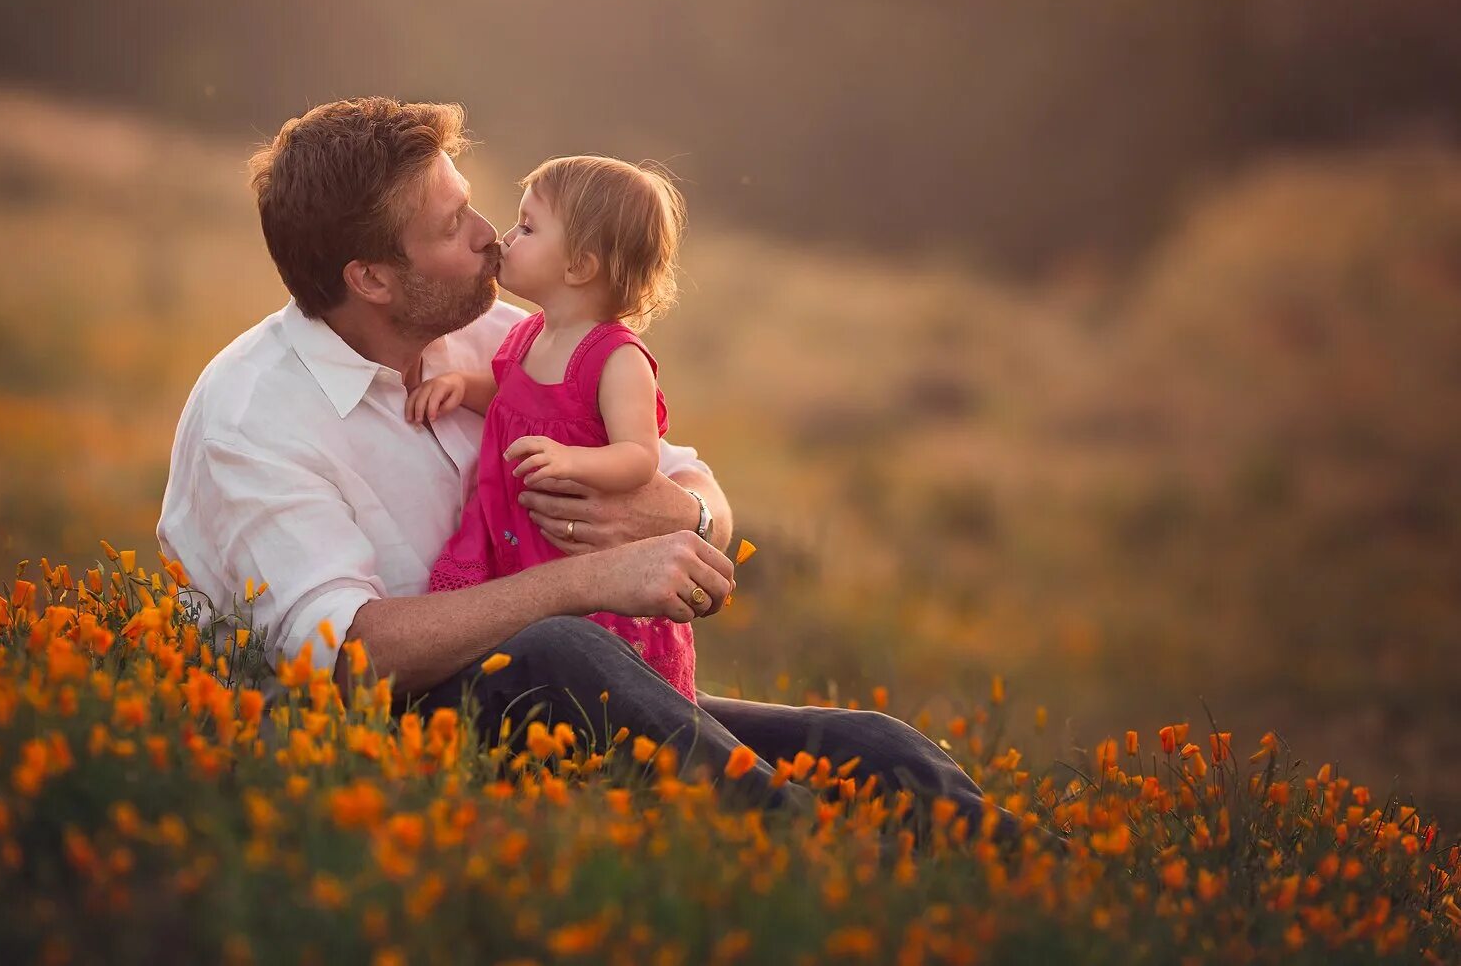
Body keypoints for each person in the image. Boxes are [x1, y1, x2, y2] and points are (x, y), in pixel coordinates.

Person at [158, 96, 1015, 832]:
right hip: (364, 748)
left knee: (870, 743)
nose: (492, 238)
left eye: (475, 205)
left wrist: (683, 519)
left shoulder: (502, 333)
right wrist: (588, 582)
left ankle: (1057, 878)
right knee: (555, 648)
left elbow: (690, 481)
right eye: (454, 227)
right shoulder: (253, 418)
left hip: (571, 691)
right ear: (372, 278)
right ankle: (811, 848)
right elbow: (346, 656)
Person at [407, 155, 699, 701]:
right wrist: (463, 388)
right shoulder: (531, 335)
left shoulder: (615, 358)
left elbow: (640, 455)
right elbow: (518, 399)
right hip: (516, 538)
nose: (506, 237)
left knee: (598, 684)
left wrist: (573, 461)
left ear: (579, 266)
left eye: (528, 227)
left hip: (582, 560)